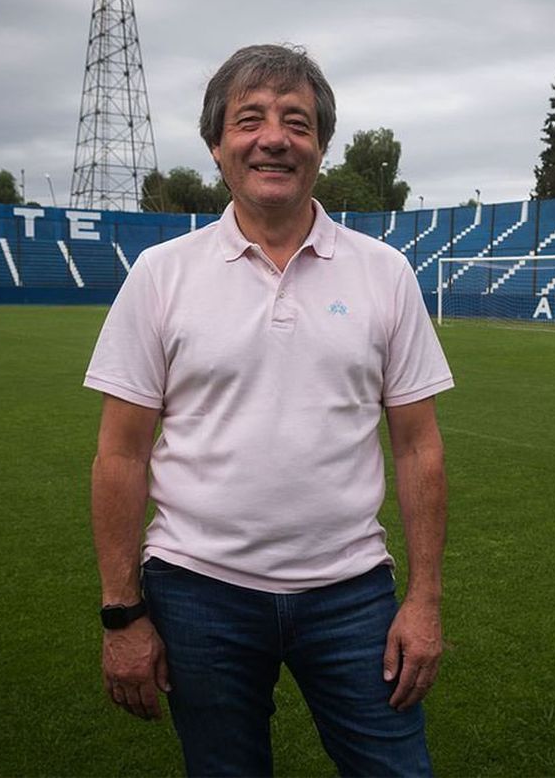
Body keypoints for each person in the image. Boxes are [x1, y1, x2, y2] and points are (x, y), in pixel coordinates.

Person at [84, 43, 453, 777]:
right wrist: (123, 614)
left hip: (352, 596)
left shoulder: (385, 273)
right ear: (217, 146)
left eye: (297, 121)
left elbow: (418, 446)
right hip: (198, 595)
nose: (274, 138)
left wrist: (425, 602)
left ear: (320, 146)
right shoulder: (161, 275)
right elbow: (120, 454)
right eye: (249, 120)